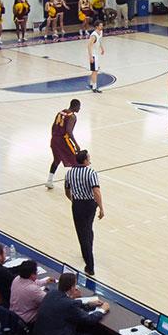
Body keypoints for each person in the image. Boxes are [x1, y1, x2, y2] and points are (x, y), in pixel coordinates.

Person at [64, 149, 104, 277]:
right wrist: (101, 207)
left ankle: (89, 265)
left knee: (82, 235)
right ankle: (88, 253)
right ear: (85, 160)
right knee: (88, 229)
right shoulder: (91, 172)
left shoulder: (69, 173)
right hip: (90, 204)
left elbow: (67, 191)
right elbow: (96, 191)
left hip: (78, 205)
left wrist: (74, 201)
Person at [45, 100, 82, 190]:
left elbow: (53, 126)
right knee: (75, 160)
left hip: (54, 139)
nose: (80, 108)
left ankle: (49, 181)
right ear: (75, 106)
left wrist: (54, 136)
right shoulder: (72, 116)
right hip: (63, 140)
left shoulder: (60, 112)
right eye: (79, 106)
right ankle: (76, 184)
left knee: (57, 159)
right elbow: (69, 131)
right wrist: (76, 144)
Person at [86, 25, 105, 93]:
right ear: (96, 26)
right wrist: (90, 56)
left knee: (95, 70)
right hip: (93, 54)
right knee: (95, 71)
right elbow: (89, 46)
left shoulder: (101, 32)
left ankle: (91, 84)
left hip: (96, 54)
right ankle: (94, 87)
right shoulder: (93, 35)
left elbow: (100, 41)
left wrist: (102, 48)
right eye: (100, 25)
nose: (102, 26)